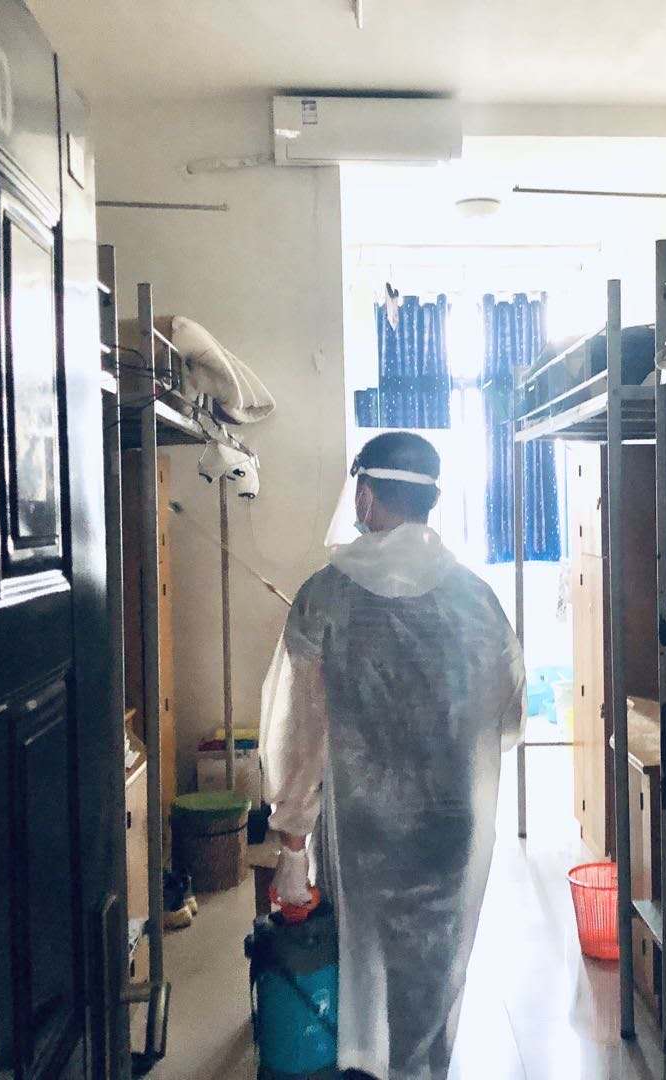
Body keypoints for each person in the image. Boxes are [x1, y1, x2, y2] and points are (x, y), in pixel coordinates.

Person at [260, 431, 526, 1080]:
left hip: (365, 833)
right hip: (450, 826)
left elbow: (301, 736)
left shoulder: (324, 596)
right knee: (432, 972)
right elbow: (509, 716)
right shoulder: (477, 599)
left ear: (367, 496)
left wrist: (292, 844)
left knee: (361, 970)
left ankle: (367, 1066)